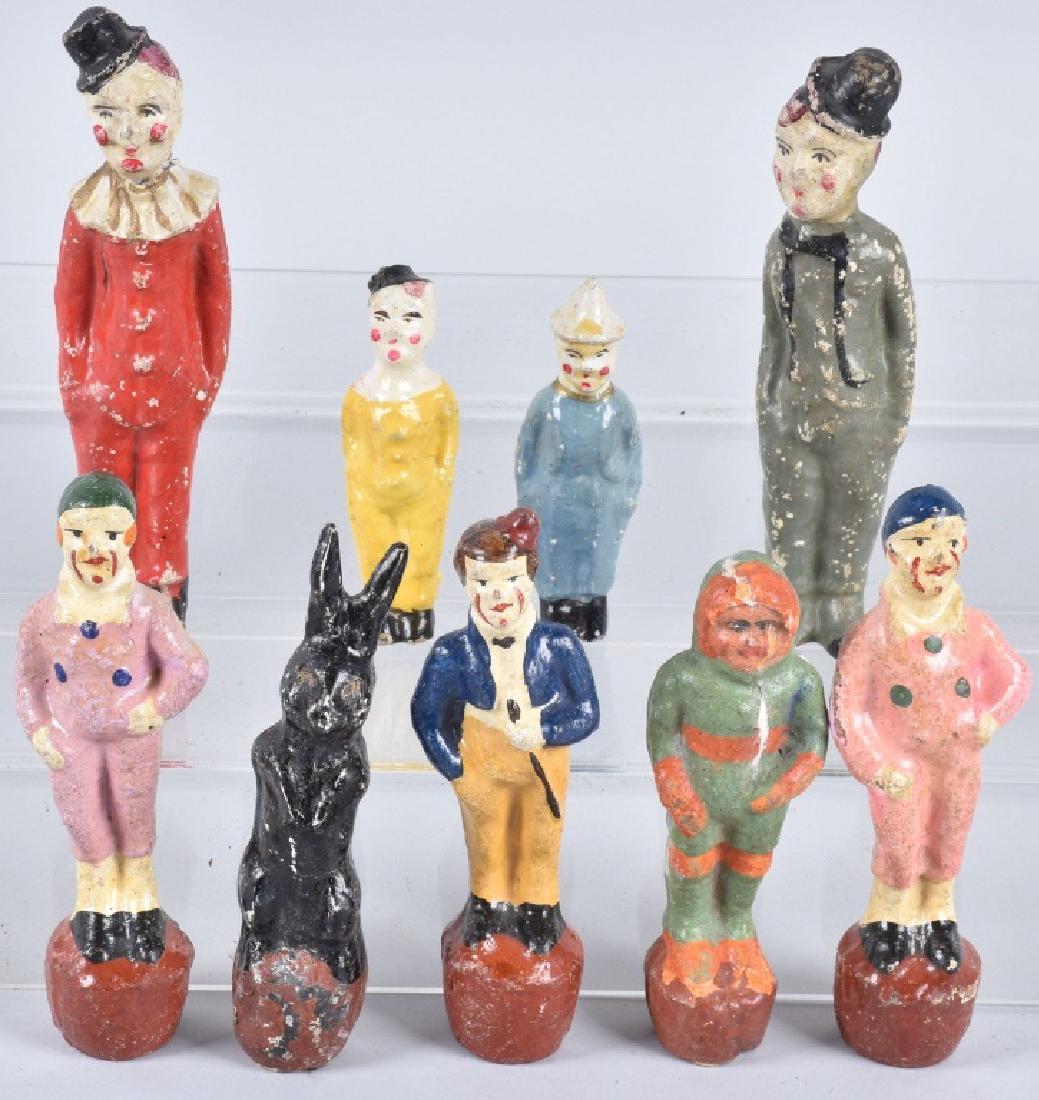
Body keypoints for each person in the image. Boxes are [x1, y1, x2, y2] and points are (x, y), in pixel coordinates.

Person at [57, 7, 232, 621]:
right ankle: (102, 610)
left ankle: (163, 614)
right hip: (101, 391)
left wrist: (206, 380)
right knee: (102, 508)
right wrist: (75, 384)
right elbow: (71, 300)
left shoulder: (199, 204)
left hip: (177, 388)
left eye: (146, 113)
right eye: (108, 116)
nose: (128, 134)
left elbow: (216, 296)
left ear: (173, 113)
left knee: (166, 507)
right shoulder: (87, 206)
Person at [832, 485, 1030, 972]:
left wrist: (992, 715)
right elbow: (847, 710)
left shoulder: (974, 626)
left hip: (958, 758)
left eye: (951, 541)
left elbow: (1016, 675)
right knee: (899, 841)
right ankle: (888, 915)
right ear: (892, 553)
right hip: (900, 764)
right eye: (922, 541)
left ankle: (939, 912)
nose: (940, 555)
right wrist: (875, 767)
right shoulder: (873, 634)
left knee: (949, 835)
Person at [757, 47, 914, 655]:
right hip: (790, 415)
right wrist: (767, 410)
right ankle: (789, 614)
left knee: (851, 521)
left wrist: (895, 418)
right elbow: (773, 338)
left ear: (868, 160)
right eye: (784, 149)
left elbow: (902, 339)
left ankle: (843, 616)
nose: (795, 170)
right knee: (790, 518)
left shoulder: (882, 250)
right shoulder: (779, 246)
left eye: (821, 156)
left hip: (861, 420)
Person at [15, 472, 208, 963]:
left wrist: (155, 708)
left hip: (131, 737)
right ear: (60, 537)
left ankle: (140, 901)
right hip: (71, 739)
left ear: (130, 537)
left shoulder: (148, 609)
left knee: (132, 815)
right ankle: (95, 902)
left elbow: (191, 667)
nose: (94, 548)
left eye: (109, 533)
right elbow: (27, 682)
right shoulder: (43, 615)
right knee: (84, 819)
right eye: (79, 533)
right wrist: (40, 730)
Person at [410, 508, 599, 953]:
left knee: (541, 838)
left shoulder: (559, 645)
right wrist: (457, 771)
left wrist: (544, 728)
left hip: (542, 760)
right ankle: (487, 907)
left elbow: (587, 711)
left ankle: (540, 909)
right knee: (487, 841)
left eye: (510, 579)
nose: (498, 596)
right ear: (466, 585)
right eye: (483, 583)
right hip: (482, 759)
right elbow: (426, 715)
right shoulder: (452, 652)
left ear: (530, 578)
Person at [646, 553, 827, 995]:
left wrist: (790, 780)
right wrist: (676, 788)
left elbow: (813, 739)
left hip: (762, 801)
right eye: (737, 625)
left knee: (750, 861)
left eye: (767, 625)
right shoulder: (681, 677)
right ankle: (687, 926)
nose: (753, 640)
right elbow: (663, 738)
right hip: (698, 797)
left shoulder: (799, 679)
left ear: (789, 626)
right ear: (707, 625)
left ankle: (737, 924)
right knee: (693, 860)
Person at [515, 279, 641, 641]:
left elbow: (633, 456)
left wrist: (625, 496)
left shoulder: (619, 407)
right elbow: (525, 453)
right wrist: (531, 495)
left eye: (599, 355)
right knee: (554, 565)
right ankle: (555, 618)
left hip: (601, 504)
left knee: (595, 563)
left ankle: (591, 618)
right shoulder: (546, 404)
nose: (587, 366)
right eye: (575, 355)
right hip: (553, 503)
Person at [342, 264, 458, 643]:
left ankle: (418, 613)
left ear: (431, 325)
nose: (394, 330)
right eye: (382, 317)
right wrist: (363, 486)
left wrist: (436, 483)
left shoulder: (437, 394)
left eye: (410, 318)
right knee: (377, 552)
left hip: (423, 497)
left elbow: (447, 449)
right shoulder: (359, 393)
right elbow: (353, 445)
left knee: (420, 553)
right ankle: (381, 614)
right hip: (371, 498)